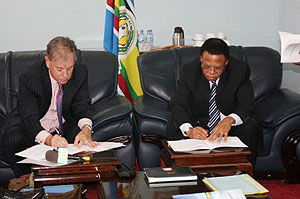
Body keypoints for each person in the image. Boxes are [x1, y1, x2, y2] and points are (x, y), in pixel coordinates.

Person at [0, 36, 97, 177]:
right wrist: (49, 139)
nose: (65, 75)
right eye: (59, 69)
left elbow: (81, 105)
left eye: (69, 68)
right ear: (47, 62)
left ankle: (73, 183)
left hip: (62, 124)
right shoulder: (30, 78)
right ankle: (27, 182)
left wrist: (86, 129)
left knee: (81, 137)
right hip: (35, 125)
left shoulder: (80, 73)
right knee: (13, 139)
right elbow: (29, 119)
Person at [166, 38, 262, 164]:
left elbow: (246, 105)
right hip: (198, 123)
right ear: (201, 59)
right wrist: (189, 130)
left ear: (226, 62)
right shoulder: (188, 71)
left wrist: (229, 120)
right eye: (206, 67)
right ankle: (182, 174)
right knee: (174, 125)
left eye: (218, 68)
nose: (211, 72)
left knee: (250, 127)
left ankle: (243, 174)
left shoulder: (239, 71)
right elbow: (178, 104)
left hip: (229, 125)